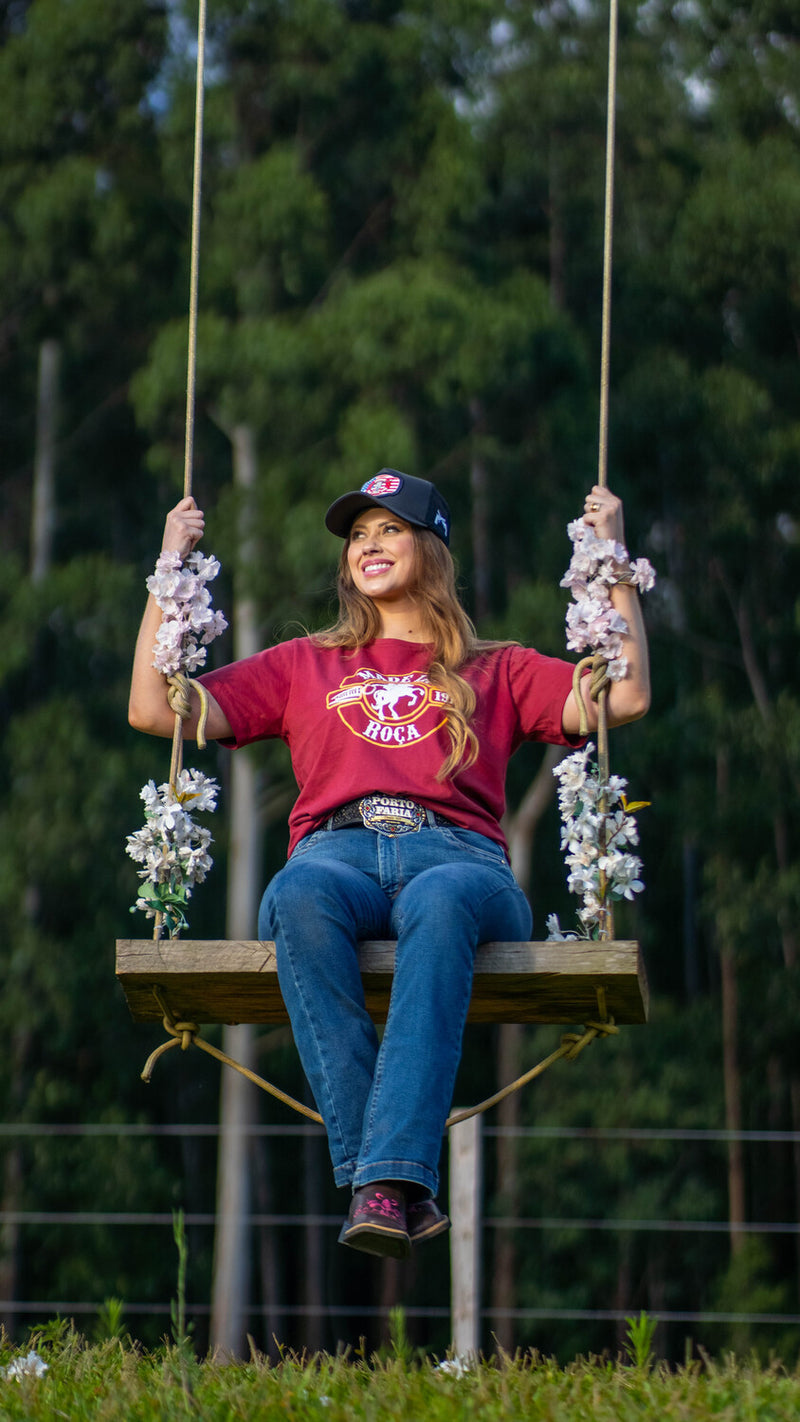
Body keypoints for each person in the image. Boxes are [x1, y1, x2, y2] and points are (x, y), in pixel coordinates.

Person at [129, 469, 650, 1259]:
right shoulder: (306, 663)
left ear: (431, 548)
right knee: (297, 894)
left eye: (391, 529)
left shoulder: (498, 667)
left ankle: (384, 1175)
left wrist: (611, 558)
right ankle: (393, 1181)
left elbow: (624, 697)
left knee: (439, 902)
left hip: (461, 858)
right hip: (335, 853)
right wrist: (170, 567)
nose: (369, 545)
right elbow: (155, 709)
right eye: (358, 536)